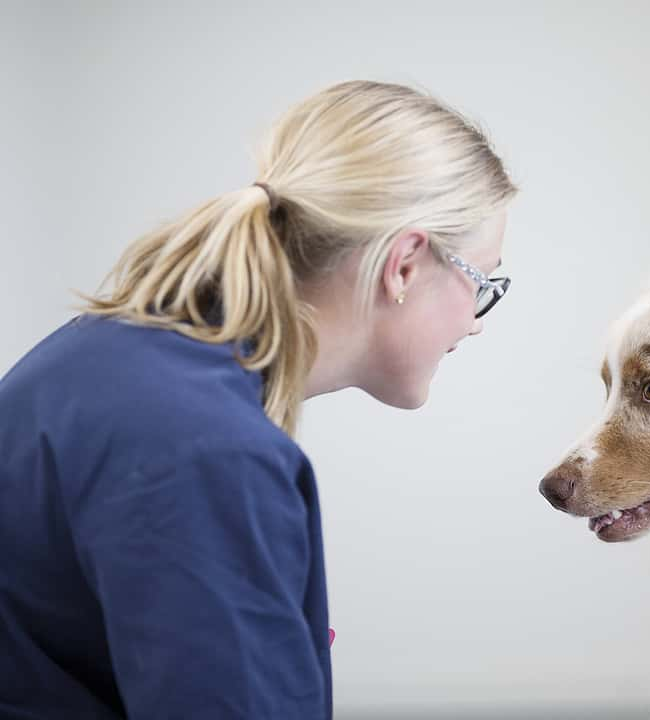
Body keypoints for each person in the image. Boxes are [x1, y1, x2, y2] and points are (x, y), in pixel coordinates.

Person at [0, 80, 516, 719]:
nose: (478, 320)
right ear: (404, 265)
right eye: (481, 281)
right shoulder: (203, 448)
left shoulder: (112, 361)